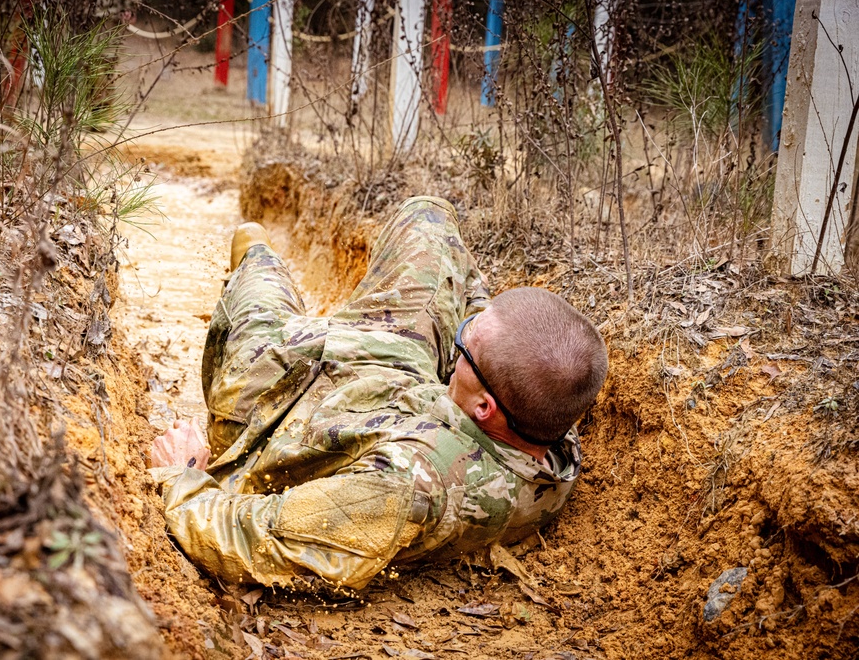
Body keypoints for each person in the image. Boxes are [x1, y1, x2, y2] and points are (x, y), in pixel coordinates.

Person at [149, 197, 608, 591]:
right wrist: (483, 331)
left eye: (466, 342)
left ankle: (257, 265)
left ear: (484, 407)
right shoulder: (544, 414)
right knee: (429, 219)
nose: (461, 331)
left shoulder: (402, 487)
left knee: (259, 291)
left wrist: (178, 474)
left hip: (283, 399)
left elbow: (252, 538)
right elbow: (491, 354)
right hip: (399, 375)